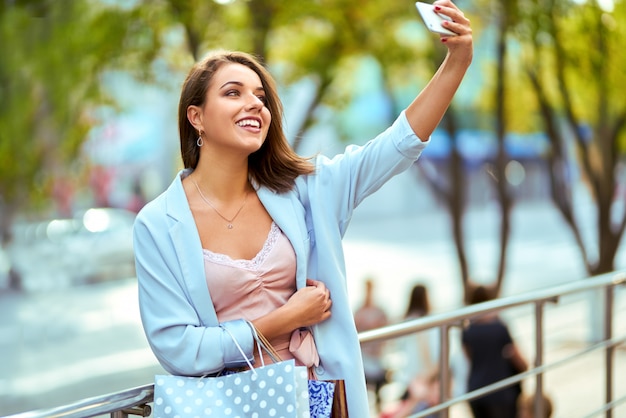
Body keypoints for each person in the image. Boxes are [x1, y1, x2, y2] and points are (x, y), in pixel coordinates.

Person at [133, 2, 473, 415]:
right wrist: (283, 320)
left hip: (315, 403)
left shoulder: (306, 189)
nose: (255, 104)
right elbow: (179, 349)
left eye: (260, 96)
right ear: (196, 117)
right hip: (227, 408)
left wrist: (457, 62)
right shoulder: (157, 224)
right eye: (233, 93)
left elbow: (396, 146)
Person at [462, 285, 528, 418]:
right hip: (500, 391)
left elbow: (469, 358)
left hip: (476, 391)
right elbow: (518, 358)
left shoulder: (467, 331)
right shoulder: (499, 327)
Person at [354, 278, 390, 412]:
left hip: (377, 356)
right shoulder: (359, 311)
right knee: (364, 391)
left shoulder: (380, 311)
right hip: (364, 357)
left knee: (378, 393)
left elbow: (387, 331)